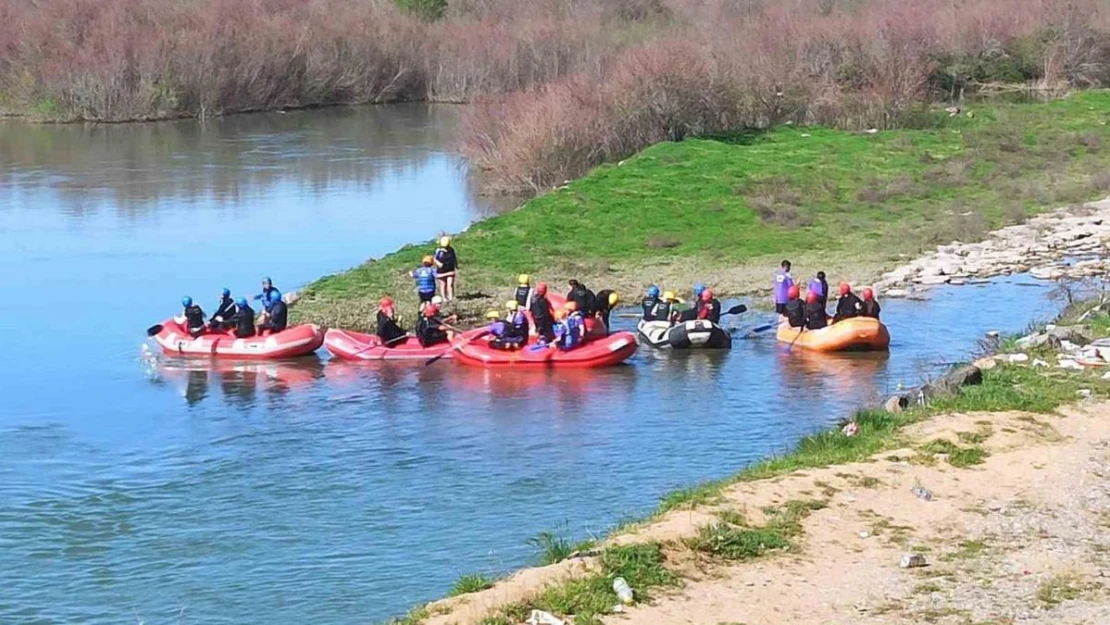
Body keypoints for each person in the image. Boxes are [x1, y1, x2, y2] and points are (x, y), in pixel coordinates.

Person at [433, 236, 458, 301]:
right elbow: (434, 259)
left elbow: (454, 257)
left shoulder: (449, 250)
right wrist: (438, 263)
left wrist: (456, 265)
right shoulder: (441, 251)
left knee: (447, 285)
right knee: (445, 285)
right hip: (445, 270)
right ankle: (447, 298)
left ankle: (448, 298)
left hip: (447, 270)